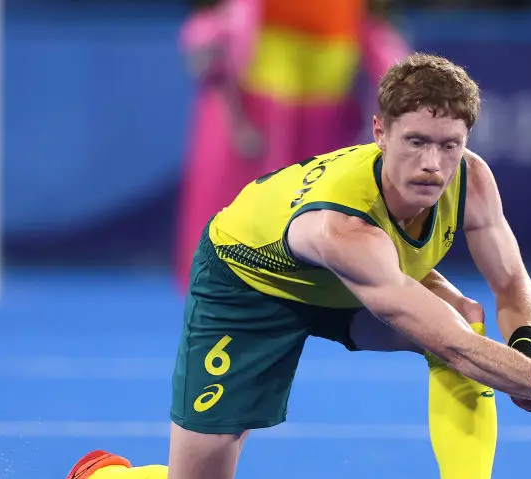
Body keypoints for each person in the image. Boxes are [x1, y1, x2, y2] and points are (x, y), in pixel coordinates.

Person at [14, 53, 531, 479]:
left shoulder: (470, 182)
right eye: (415, 142)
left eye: (449, 145)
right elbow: (450, 344)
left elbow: (512, 286)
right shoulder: (343, 226)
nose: (433, 164)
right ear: (379, 133)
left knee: (465, 322)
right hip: (250, 286)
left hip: (365, 278)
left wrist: (529, 349)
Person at [174, 0, 410, 293]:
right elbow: (211, 49)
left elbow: (378, 40)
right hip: (264, 92)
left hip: (325, 94)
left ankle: (313, 274)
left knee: (318, 195)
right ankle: (229, 273)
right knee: (251, 191)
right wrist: (234, 114)